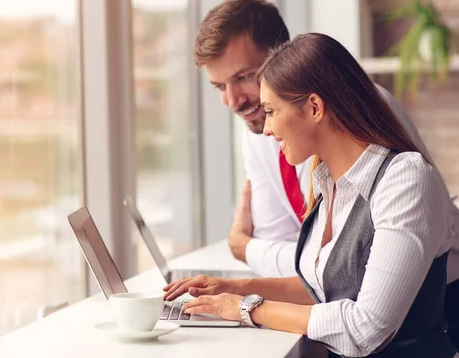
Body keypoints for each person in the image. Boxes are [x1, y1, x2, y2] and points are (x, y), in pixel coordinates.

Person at [165, 32, 458, 357]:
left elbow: (366, 328)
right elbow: (322, 286)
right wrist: (233, 288)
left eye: (272, 111)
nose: (267, 129)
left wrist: (246, 307)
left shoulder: (405, 180)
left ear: (315, 108)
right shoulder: (330, 183)